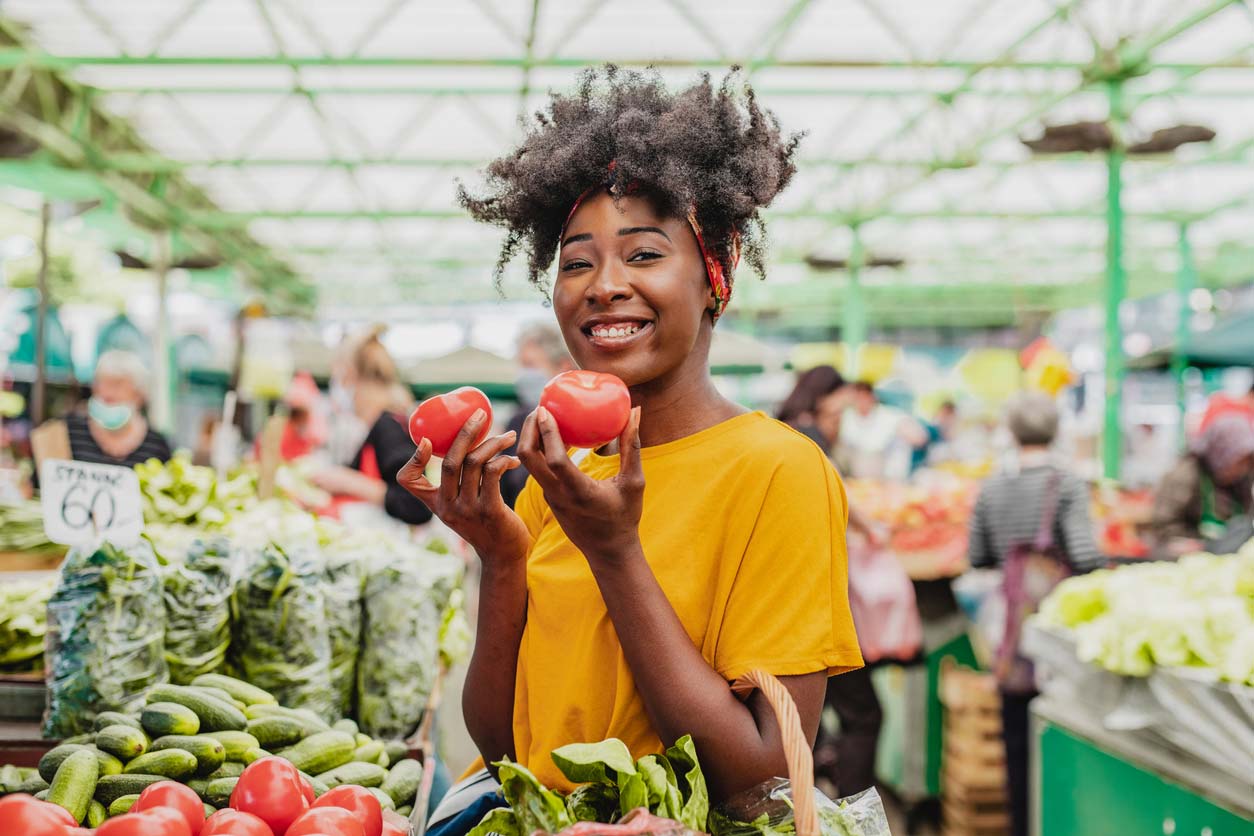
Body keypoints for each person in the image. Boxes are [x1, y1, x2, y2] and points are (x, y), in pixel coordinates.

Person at [403, 67, 862, 835]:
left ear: (716, 276)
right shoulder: (558, 480)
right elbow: (503, 744)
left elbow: (766, 778)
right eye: (576, 263)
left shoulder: (778, 470)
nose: (603, 286)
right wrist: (502, 556)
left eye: (644, 255)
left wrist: (615, 551)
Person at [966, 392, 1102, 836]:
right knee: (1061, 731)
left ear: (1012, 432)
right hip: (1057, 631)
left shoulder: (992, 487)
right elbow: (1082, 554)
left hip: (1009, 631)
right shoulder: (1067, 484)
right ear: (1056, 430)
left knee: (1016, 739)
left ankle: (1020, 824)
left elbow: (978, 556)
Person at [311, 333, 432, 526]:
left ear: (350, 376)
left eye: (336, 377)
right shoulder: (379, 424)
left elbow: (417, 505)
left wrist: (349, 481)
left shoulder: (389, 428)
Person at [1151, 414, 1254, 552]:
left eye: (1246, 463)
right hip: (1188, 557)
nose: (1241, 469)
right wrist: (1197, 545)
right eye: (1238, 461)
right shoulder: (1185, 476)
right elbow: (1163, 525)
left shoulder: (1241, 481)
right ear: (1222, 451)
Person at [500, 324, 575, 509]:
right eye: (521, 366)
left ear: (563, 365)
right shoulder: (518, 421)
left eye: (530, 366)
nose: (523, 376)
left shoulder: (583, 422)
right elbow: (504, 492)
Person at [63, 350, 172, 468]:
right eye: (101, 383)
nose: (107, 392)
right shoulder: (67, 431)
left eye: (117, 384)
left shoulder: (157, 446)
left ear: (139, 396)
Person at [838, 382, 928, 480]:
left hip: (891, 480)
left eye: (863, 397)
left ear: (871, 397)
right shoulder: (848, 417)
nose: (861, 402)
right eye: (857, 398)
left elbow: (919, 438)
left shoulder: (889, 415)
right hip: (859, 480)